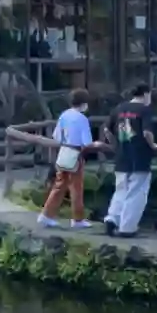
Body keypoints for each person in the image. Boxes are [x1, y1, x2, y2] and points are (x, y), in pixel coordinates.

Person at [38, 88, 95, 230]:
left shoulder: (64, 115)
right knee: (76, 188)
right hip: (76, 154)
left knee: (59, 185)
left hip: (63, 153)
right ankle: (77, 219)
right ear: (84, 103)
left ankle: (46, 215)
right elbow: (87, 142)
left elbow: (57, 136)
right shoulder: (82, 119)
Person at [104, 84, 156, 238]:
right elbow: (146, 132)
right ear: (146, 94)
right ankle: (127, 227)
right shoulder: (145, 110)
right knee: (136, 192)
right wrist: (153, 145)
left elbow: (107, 130)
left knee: (121, 190)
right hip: (140, 156)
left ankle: (112, 219)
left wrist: (115, 144)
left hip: (121, 155)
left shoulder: (119, 108)